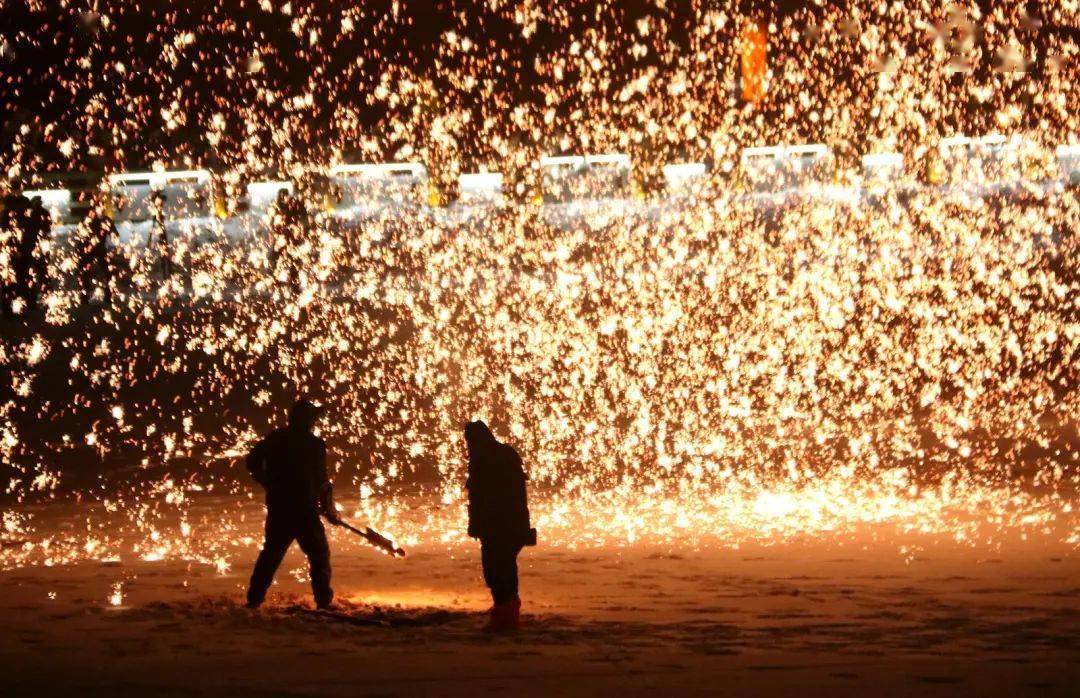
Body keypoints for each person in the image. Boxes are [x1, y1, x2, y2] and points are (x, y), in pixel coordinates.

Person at [246, 399, 336, 609]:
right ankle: (323, 601)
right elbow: (322, 481)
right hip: (305, 511)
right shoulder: (314, 445)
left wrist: (268, 483)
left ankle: (254, 599)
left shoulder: (276, 438)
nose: (315, 421)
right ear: (306, 419)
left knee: (271, 555)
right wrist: (328, 507)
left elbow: (251, 462)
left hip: (280, 508)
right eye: (313, 417)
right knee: (319, 555)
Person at [464, 420, 533, 632]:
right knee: (501, 568)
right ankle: (505, 609)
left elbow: (483, 498)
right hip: (507, 525)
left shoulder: (485, 460)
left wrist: (479, 525)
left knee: (498, 569)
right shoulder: (501, 455)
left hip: (500, 527)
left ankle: (506, 615)